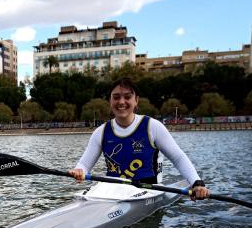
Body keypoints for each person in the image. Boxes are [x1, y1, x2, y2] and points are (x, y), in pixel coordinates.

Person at [69, 77, 209, 201]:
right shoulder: (101, 132)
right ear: (110, 101)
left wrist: (196, 183)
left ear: (136, 101)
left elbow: (178, 158)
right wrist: (79, 171)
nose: (121, 102)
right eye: (116, 97)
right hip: (111, 191)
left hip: (148, 190)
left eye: (127, 97)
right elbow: (84, 165)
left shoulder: (152, 126)